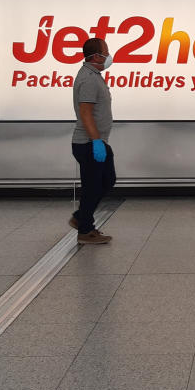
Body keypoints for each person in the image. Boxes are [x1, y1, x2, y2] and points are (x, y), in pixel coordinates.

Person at [69, 37, 115, 245]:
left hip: (97, 141)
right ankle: (85, 230)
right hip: (88, 143)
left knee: (106, 181)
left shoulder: (94, 76)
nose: (109, 55)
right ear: (96, 56)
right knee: (93, 186)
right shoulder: (88, 78)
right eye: (106, 51)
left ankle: (81, 217)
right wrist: (96, 141)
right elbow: (86, 113)